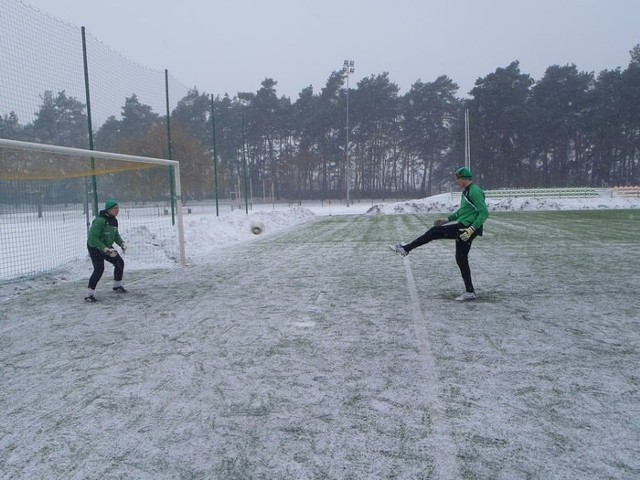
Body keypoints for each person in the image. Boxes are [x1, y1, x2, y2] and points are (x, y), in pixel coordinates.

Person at [389, 167, 489, 301]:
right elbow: (462, 212)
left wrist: (471, 229)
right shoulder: (467, 192)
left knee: (435, 232)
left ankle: (406, 248)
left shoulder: (474, 192)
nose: (456, 181)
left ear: (464, 178)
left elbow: (484, 212)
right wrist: (447, 220)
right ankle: (470, 291)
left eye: (458, 178)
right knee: (461, 258)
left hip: (466, 228)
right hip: (465, 227)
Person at [84, 199, 128, 302]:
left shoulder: (113, 220)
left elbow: (115, 235)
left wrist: (121, 243)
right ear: (108, 209)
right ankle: (89, 295)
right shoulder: (99, 221)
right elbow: (92, 238)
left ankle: (117, 286)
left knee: (119, 262)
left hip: (106, 246)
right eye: (115, 208)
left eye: (118, 208)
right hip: (95, 247)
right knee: (99, 269)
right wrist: (105, 249)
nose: (117, 210)